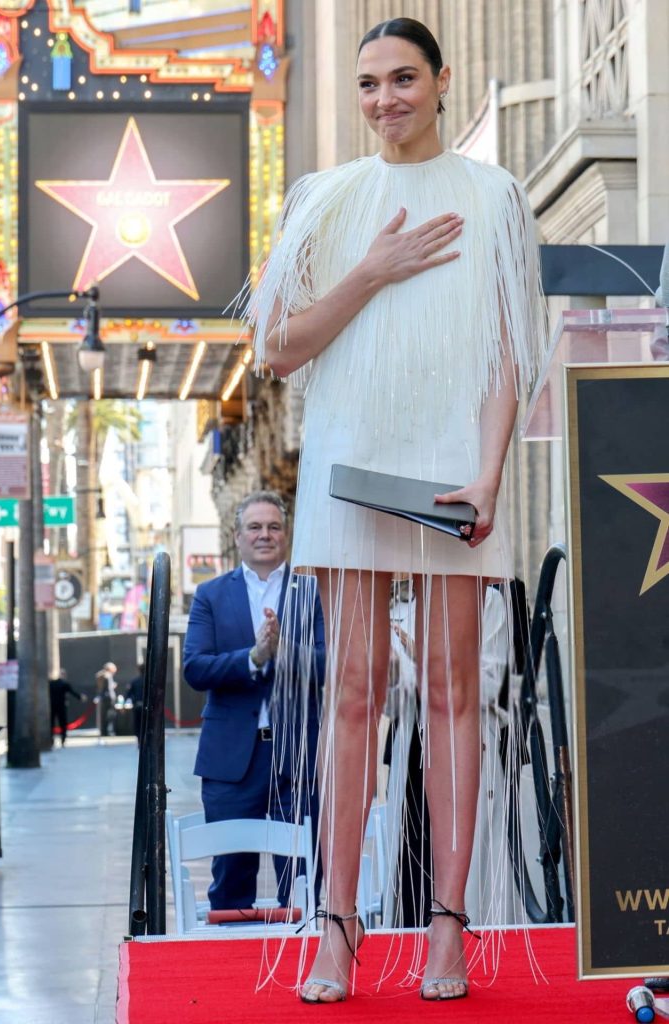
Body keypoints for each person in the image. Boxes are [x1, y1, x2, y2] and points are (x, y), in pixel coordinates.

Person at [247, 17, 546, 1003]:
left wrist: (491, 473)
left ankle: (448, 926)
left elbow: (508, 350)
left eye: (402, 78)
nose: (383, 99)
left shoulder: (494, 196)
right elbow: (276, 347)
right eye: (369, 81)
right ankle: (338, 921)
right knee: (352, 691)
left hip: (449, 473)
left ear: (440, 80)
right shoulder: (325, 198)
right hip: (348, 466)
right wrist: (368, 273)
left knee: (455, 690)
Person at [183, 490, 325, 913]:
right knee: (230, 880)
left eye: (274, 526)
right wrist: (253, 656)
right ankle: (229, 969)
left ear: (287, 534)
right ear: (238, 536)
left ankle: (304, 969)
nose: (265, 535)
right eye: (255, 527)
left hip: (299, 756)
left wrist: (283, 651)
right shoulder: (210, 595)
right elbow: (195, 667)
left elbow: (332, 662)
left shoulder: (313, 591)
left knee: (303, 879)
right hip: (231, 762)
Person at [49, 669, 84, 746]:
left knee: (52, 723)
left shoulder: (51, 683)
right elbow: (73, 692)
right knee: (62, 723)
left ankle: (51, 739)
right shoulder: (64, 684)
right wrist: (80, 697)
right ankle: (63, 739)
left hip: (52, 705)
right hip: (61, 706)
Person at [94, 661, 118, 737]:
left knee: (104, 716)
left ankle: (103, 731)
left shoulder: (100, 675)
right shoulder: (108, 676)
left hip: (103, 698)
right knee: (110, 715)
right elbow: (109, 688)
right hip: (109, 698)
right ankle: (109, 731)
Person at [125, 663, 145, 742]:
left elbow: (128, 694)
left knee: (138, 724)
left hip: (137, 706)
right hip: (148, 707)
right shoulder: (150, 681)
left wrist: (132, 700)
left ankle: (140, 740)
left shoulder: (134, 681)